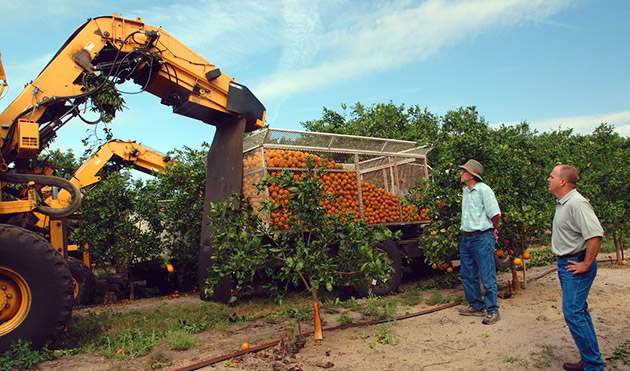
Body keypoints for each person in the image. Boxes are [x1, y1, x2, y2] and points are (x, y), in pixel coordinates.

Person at [547, 165, 605, 371]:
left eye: (552, 176)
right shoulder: (564, 203)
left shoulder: (577, 203)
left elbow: (595, 235)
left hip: (576, 264)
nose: (548, 179)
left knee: (573, 313)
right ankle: (590, 361)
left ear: (562, 181)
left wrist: (586, 263)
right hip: (566, 264)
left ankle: (594, 367)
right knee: (578, 312)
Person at [457, 159, 501, 325]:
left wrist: (492, 229)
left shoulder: (484, 190)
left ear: (472, 174)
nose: (461, 173)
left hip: (482, 237)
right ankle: (476, 306)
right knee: (468, 274)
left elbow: (496, 215)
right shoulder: (466, 192)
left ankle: (492, 310)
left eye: (464, 171)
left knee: (487, 275)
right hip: (467, 238)